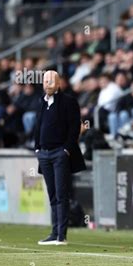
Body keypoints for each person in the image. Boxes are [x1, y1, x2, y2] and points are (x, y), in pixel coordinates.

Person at [34, 71, 86, 245]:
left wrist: (66, 150)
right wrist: (36, 148)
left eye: (51, 81)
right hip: (44, 154)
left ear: (58, 83)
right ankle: (54, 231)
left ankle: (61, 236)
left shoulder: (68, 102)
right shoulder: (41, 102)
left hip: (59, 153)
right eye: (45, 81)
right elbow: (38, 125)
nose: (47, 84)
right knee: (53, 195)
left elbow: (74, 128)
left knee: (62, 194)